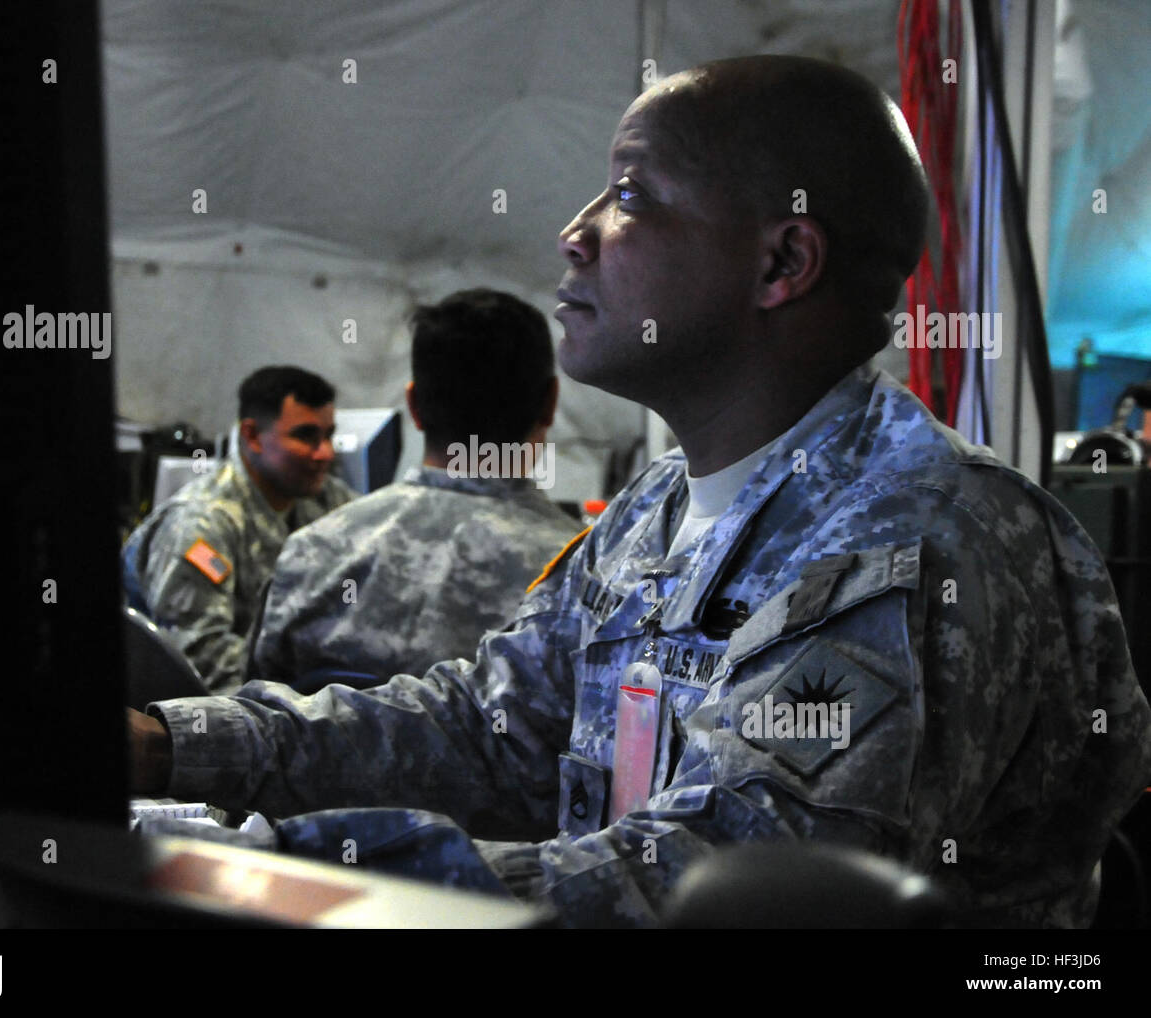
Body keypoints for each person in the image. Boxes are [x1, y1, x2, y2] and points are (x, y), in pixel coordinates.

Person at [128, 56, 1151, 927]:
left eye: (628, 197)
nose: (574, 235)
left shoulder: (921, 535)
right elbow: (488, 730)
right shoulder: (657, 512)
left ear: (782, 260)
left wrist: (266, 873)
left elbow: (716, 879)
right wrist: (179, 748)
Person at [247, 289, 582, 693]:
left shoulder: (313, 550)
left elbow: (261, 717)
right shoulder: (580, 578)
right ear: (550, 403)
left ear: (414, 406)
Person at [122, 366, 355, 692]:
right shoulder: (200, 524)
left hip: (290, 702)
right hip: (214, 718)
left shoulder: (326, 499)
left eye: (328, 435)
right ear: (252, 436)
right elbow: (201, 661)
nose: (325, 453)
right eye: (305, 436)